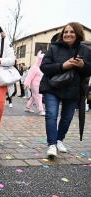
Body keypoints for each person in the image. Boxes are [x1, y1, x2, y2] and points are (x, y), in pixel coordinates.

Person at [39, 22, 91, 157]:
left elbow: (89, 70)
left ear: (78, 34)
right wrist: (63, 66)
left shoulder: (85, 50)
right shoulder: (53, 48)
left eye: (72, 32)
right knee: (51, 115)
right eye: (66, 32)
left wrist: (82, 65)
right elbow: (44, 67)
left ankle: (59, 140)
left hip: (74, 89)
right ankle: (51, 144)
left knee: (67, 118)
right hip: (52, 86)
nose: (68, 34)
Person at [24, 51, 45, 115]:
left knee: (34, 96)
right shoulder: (35, 67)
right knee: (39, 96)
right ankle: (40, 110)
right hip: (35, 84)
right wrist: (26, 83)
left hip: (39, 84)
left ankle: (28, 107)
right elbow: (29, 76)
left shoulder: (41, 68)